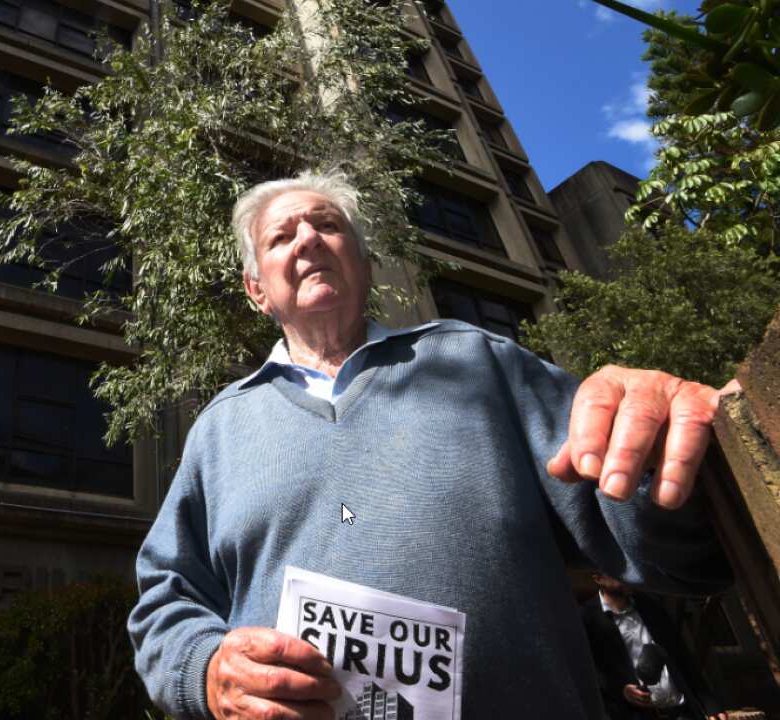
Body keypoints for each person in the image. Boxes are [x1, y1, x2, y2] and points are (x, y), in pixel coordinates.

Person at [127, 170, 734, 720]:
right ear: (257, 290)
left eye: (328, 225)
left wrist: (675, 444)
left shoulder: (478, 360)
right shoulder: (219, 428)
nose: (309, 239)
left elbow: (669, 544)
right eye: (282, 237)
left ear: (364, 265)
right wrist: (204, 674)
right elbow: (165, 598)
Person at [581, 574, 728, 720]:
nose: (628, 576)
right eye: (617, 572)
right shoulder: (586, 618)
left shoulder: (651, 606)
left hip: (682, 711)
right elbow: (590, 675)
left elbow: (682, 656)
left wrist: (711, 705)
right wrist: (621, 690)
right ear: (598, 578)